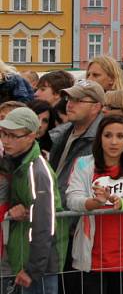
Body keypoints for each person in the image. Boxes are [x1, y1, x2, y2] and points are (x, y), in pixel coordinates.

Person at [65, 116, 123, 293]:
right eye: (108, 135)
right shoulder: (83, 164)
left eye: (120, 136)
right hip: (90, 258)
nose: (114, 142)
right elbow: (72, 199)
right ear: (99, 138)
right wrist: (95, 202)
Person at [0, 107, 68, 294]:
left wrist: (33, 269)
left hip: (39, 266)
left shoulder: (38, 171)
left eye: (13, 135)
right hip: (21, 258)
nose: (6, 140)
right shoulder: (13, 161)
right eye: (3, 134)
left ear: (31, 137)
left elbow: (46, 224)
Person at [48, 80, 105, 200]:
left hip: (76, 212)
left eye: (78, 100)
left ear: (96, 107)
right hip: (55, 208)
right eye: (69, 99)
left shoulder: (102, 140)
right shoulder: (60, 134)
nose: (69, 104)